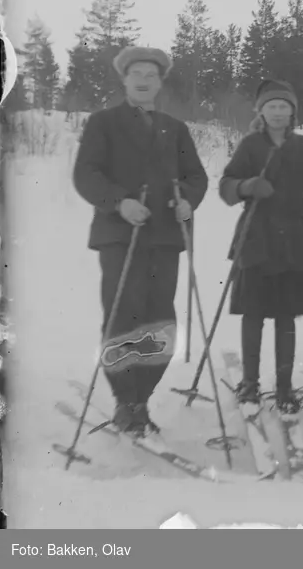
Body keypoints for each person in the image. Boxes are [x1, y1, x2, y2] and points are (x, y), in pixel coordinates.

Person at [72, 46, 209, 435]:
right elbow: (86, 174)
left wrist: (187, 200)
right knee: (122, 316)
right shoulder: (103, 123)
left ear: (160, 82)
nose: (144, 81)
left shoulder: (175, 128)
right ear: (124, 80)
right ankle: (123, 401)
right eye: (137, 74)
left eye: (152, 74)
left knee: (160, 321)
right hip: (120, 236)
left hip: (165, 237)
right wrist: (120, 202)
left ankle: (141, 400)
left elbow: (196, 177)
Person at [219, 79, 303, 414]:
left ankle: (285, 387)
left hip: (294, 242)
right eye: (271, 106)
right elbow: (226, 187)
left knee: (287, 316)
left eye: (283, 107)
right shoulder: (249, 146)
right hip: (256, 240)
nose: (277, 112)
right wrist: (246, 186)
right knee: (253, 315)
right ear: (261, 110)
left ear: (292, 112)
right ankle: (249, 385)